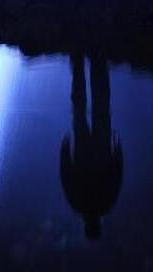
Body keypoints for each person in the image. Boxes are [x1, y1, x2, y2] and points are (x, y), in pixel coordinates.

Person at [60, 54, 124, 240]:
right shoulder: (78, 204)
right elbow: (67, 176)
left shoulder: (106, 204)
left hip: (99, 149)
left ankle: (97, 62)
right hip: (85, 151)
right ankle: (82, 62)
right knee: (81, 107)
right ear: (86, 225)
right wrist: (64, 152)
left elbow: (117, 175)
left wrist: (117, 149)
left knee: (100, 105)